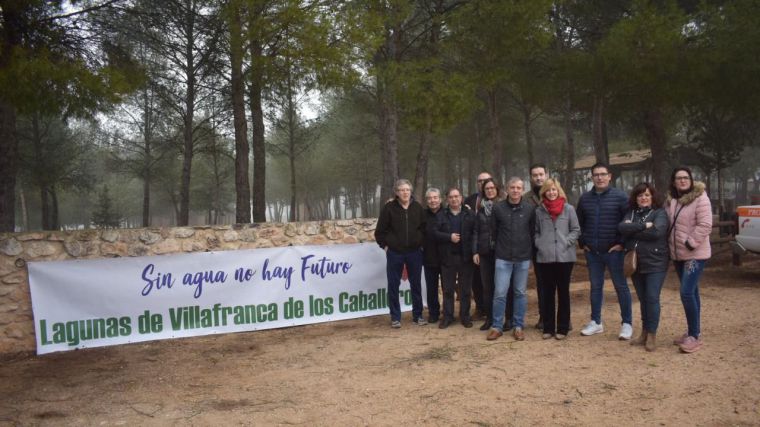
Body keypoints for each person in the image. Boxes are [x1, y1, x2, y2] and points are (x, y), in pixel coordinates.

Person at [576, 163, 633, 340]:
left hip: (614, 251)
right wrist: (582, 242)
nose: (599, 178)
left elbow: (628, 221)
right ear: (591, 177)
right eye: (596, 175)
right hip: (593, 252)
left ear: (610, 176)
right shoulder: (585, 198)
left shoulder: (621, 197)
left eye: (603, 174)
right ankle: (596, 322)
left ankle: (627, 323)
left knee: (621, 287)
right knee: (595, 287)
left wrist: (622, 244)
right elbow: (579, 223)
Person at [666, 167, 712, 354]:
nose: (683, 180)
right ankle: (694, 331)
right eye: (679, 178)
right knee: (692, 292)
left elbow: (705, 224)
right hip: (677, 255)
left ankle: (694, 335)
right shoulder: (671, 201)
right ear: (674, 181)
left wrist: (690, 243)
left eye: (686, 177)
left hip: (694, 254)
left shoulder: (700, 198)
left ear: (691, 180)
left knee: (686, 292)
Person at [619, 183, 669, 352]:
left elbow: (657, 233)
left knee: (652, 297)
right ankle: (644, 333)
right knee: (642, 298)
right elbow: (622, 228)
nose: (643, 198)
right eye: (640, 195)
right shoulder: (631, 213)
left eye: (647, 195)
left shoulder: (660, 213)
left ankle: (652, 335)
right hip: (636, 263)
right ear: (635, 198)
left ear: (653, 197)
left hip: (656, 262)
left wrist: (632, 231)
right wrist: (643, 226)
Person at [486, 177, 535, 341]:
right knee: (500, 293)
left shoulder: (529, 209)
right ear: (507, 189)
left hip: (522, 258)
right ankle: (497, 326)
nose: (515, 190)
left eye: (519, 188)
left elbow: (532, 232)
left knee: (520, 293)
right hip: (503, 257)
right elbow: (493, 231)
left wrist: (530, 257)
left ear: (522, 190)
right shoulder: (498, 208)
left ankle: (518, 326)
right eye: (512, 187)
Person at [374, 179, 426, 328]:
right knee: (393, 285)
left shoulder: (417, 207)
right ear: (396, 192)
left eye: (407, 190)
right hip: (395, 253)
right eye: (402, 190)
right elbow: (380, 232)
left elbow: (424, 228)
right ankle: (395, 317)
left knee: (416, 284)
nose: (405, 192)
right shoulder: (389, 208)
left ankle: (418, 315)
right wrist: (385, 247)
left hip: (415, 253)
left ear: (411, 192)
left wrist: (420, 244)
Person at [534, 178, 580, 340]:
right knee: (547, 293)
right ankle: (548, 327)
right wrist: (540, 244)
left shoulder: (569, 209)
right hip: (545, 257)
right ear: (544, 192)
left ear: (559, 191)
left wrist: (566, 242)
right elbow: (536, 231)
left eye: (554, 190)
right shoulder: (539, 211)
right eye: (548, 190)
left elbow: (576, 230)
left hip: (565, 257)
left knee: (563, 292)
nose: (551, 193)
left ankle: (562, 327)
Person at [435, 187, 476, 328]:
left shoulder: (470, 214)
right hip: (448, 257)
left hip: (466, 257)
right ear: (447, 199)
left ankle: (465, 316)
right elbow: (434, 233)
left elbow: (475, 233)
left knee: (465, 290)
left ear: (461, 198)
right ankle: (448, 317)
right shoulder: (441, 215)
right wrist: (449, 237)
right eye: (451, 197)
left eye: (456, 196)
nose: (454, 199)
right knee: (448, 289)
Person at [472, 178, 500, 331]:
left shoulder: (502, 206)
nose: (490, 190)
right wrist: (475, 251)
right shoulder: (481, 209)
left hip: (500, 253)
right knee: (487, 287)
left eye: (492, 188)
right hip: (484, 253)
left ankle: (504, 318)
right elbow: (476, 231)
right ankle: (489, 318)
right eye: (487, 188)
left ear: (497, 189)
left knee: (502, 288)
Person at [464, 171, 493, 318]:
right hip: (473, 244)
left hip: (491, 246)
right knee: (476, 279)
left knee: (490, 280)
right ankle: (479, 307)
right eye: (480, 181)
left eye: (486, 180)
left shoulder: (497, 199)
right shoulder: (469, 200)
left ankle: (492, 310)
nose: (482, 183)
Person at [526, 163, 547, 330]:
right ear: (531, 178)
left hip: (557, 248)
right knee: (542, 283)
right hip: (537, 248)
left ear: (546, 174)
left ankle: (563, 318)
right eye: (535, 175)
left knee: (559, 284)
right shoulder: (527, 198)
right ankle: (544, 317)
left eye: (541, 174)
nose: (538, 177)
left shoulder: (556, 192)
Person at [423, 188, 443, 323]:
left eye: (435, 197)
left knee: (448, 288)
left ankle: (448, 313)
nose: (433, 200)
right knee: (431, 288)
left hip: (446, 257)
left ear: (440, 199)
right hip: (429, 257)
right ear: (427, 201)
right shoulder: (422, 215)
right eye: (430, 198)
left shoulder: (447, 213)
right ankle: (434, 313)